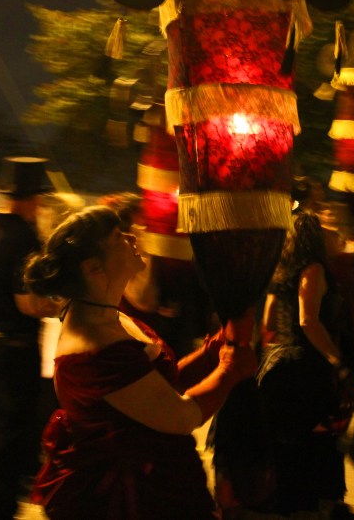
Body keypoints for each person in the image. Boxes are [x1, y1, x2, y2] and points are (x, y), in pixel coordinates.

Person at [25, 206, 256, 519]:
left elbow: (156, 384)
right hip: (134, 498)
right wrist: (230, 370)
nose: (133, 237)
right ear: (94, 268)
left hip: (157, 478)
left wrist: (212, 353)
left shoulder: (109, 314)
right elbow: (181, 416)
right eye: (119, 237)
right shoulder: (92, 348)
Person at [0, 156, 63, 519]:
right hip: (15, 346)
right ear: (32, 197)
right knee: (13, 425)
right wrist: (59, 305)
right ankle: (1, 503)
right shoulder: (24, 237)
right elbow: (29, 304)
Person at [252, 210, 354, 518]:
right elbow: (308, 320)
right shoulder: (313, 270)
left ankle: (287, 501)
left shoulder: (280, 270)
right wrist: (336, 360)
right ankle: (309, 503)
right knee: (315, 436)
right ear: (315, 238)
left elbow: (268, 321)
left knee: (287, 442)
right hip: (305, 366)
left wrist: (272, 355)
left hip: (278, 364)